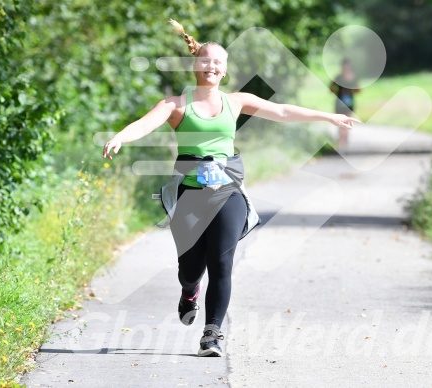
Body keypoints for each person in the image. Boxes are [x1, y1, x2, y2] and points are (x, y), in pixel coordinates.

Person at [102, 19, 360, 357]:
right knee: (190, 268)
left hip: (228, 191)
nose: (211, 66)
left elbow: (281, 111)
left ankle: (212, 335)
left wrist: (328, 117)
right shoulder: (176, 105)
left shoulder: (236, 101)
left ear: (224, 71)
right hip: (190, 194)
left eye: (218, 63)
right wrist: (121, 136)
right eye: (206, 60)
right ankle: (189, 290)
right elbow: (145, 124)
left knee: (221, 264)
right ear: (196, 65)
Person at [330, 58, 361, 152]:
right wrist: (340, 91)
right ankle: (341, 142)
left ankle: (345, 142)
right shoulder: (338, 77)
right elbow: (331, 88)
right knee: (339, 122)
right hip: (339, 103)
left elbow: (359, 89)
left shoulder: (353, 77)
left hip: (349, 102)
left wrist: (350, 91)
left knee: (348, 122)